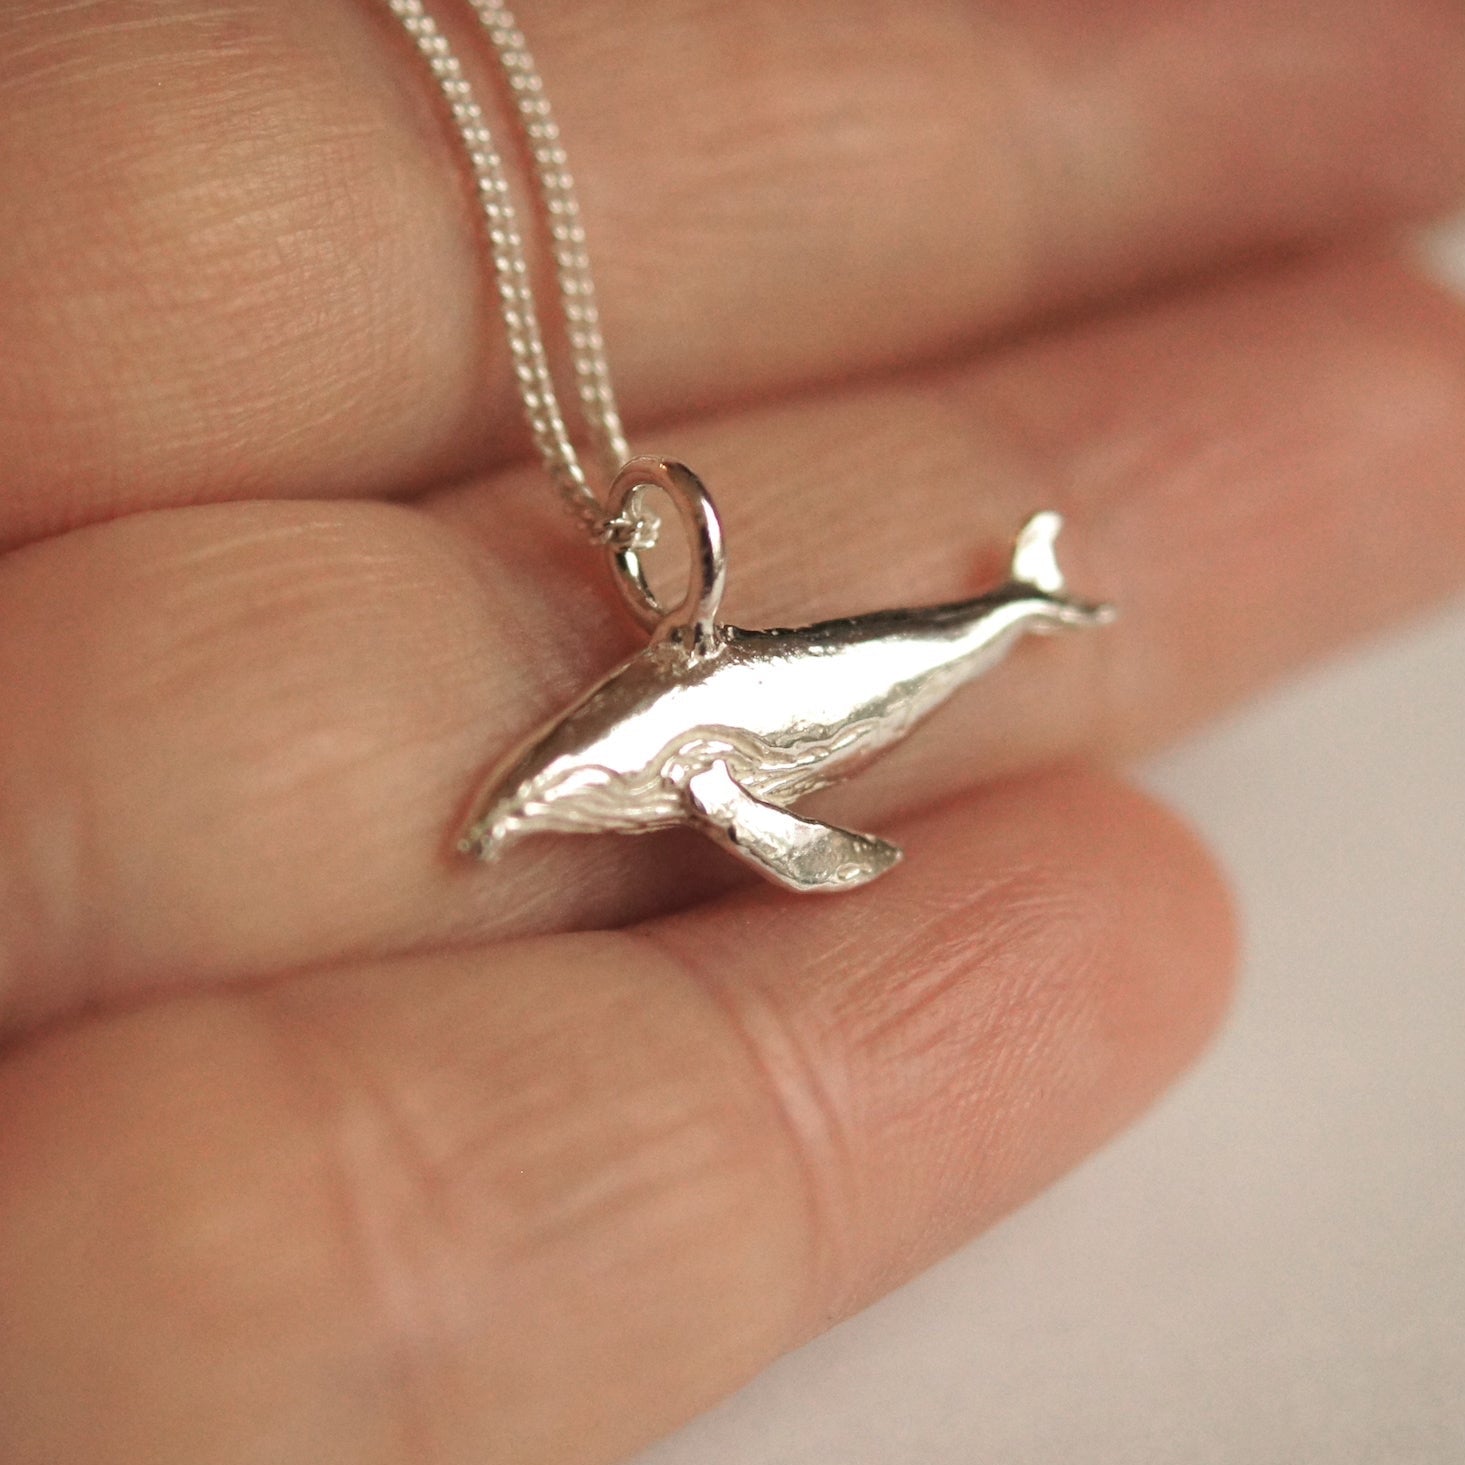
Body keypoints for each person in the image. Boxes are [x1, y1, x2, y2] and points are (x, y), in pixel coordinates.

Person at [2, 1, 1464, 1460]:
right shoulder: (651, 723)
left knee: (977, 633)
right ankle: (1024, 600)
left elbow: (770, 826)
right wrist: (530, 816)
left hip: (819, 683)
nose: (536, 801)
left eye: (560, 789)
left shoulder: (694, 756)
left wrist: (809, 844)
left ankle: (1020, 601)